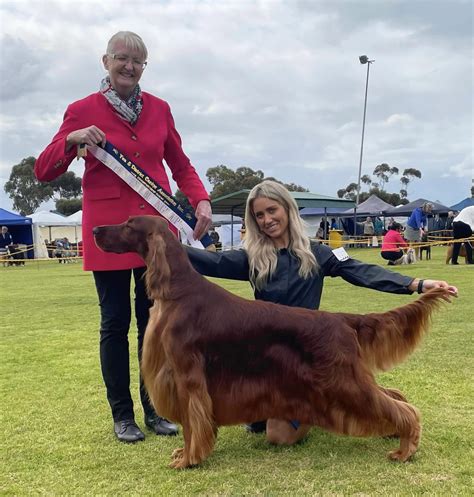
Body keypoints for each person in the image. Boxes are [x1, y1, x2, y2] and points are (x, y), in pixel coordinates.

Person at [34, 31, 212, 443]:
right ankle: (122, 415)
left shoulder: (160, 109)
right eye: (121, 58)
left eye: (137, 61)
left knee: (156, 324)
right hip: (112, 236)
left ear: (144, 67)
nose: (129, 67)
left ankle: (156, 408)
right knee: (115, 323)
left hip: (154, 237)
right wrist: (71, 140)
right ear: (105, 61)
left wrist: (200, 199)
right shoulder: (81, 110)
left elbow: (180, 164)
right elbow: (44, 170)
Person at [185, 180, 458, 446]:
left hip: (311, 355)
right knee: (256, 422)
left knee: (278, 436)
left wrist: (415, 284)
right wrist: (165, 243)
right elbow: (213, 262)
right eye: (259, 215)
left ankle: (332, 399)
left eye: (272, 210)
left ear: (288, 209)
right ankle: (341, 397)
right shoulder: (252, 258)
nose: (267, 220)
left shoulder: (319, 252)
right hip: (269, 362)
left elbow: (361, 271)